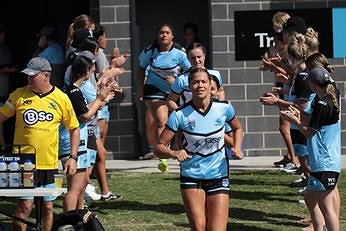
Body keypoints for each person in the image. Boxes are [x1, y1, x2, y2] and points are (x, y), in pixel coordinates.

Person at [154, 67, 243, 230]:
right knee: (199, 228)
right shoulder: (180, 115)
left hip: (218, 174)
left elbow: (237, 128)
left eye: (204, 82)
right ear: (189, 87)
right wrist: (173, 153)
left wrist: (237, 147)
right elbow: (158, 147)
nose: (200, 85)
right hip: (192, 176)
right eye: (195, 82)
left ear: (210, 86)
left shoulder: (224, 108)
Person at [0, 57, 80, 231]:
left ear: (46, 76)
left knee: (48, 207)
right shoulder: (18, 95)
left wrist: (73, 157)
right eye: (27, 76)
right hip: (24, 164)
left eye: (32, 76)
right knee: (25, 206)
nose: (28, 79)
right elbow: (1, 117)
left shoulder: (61, 98)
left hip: (50, 164)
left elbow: (74, 128)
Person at [280, 66, 341, 231]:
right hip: (325, 161)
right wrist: (299, 113)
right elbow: (313, 120)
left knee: (326, 207)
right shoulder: (328, 99)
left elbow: (308, 133)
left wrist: (294, 120)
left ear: (313, 85)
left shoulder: (322, 104)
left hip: (324, 161)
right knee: (309, 197)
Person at [59, 51, 115, 211]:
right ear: (86, 71)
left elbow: (84, 110)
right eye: (91, 70)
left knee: (82, 183)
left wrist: (102, 100)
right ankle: (68, 220)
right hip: (71, 142)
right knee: (75, 187)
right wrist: (99, 99)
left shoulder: (75, 90)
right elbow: (85, 116)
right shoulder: (73, 91)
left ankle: (79, 215)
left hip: (78, 140)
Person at [137, 23, 191, 161]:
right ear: (157, 35)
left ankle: (163, 147)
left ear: (172, 36)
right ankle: (163, 153)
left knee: (172, 120)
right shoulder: (149, 51)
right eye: (161, 32)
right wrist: (140, 90)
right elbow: (140, 69)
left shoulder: (180, 52)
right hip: (153, 89)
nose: (164, 35)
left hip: (173, 90)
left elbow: (189, 72)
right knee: (161, 120)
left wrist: (176, 80)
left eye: (167, 33)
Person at [0, 24, 17, 145]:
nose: (3, 36)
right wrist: (7, 70)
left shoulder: (5, 48)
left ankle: (3, 144)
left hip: (4, 88)